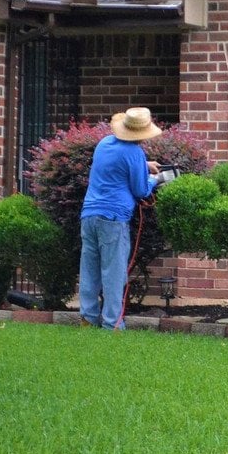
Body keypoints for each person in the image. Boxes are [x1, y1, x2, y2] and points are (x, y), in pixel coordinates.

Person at [79, 107, 166, 329]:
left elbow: (116, 164)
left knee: (90, 267)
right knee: (114, 272)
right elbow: (140, 191)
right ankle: (113, 323)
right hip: (113, 218)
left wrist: (144, 165)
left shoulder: (104, 144)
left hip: (89, 215)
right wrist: (157, 179)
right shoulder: (135, 153)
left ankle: (87, 318)